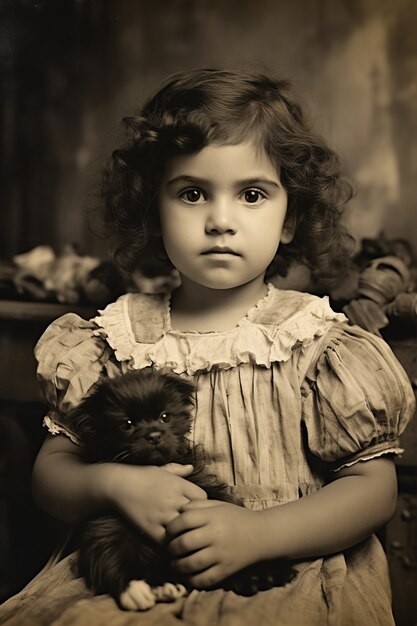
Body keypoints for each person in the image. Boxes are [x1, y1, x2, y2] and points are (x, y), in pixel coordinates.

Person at [0, 69, 414, 626]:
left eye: (251, 195)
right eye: (193, 194)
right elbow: (51, 475)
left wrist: (260, 533)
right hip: (134, 568)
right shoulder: (114, 340)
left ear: (288, 219)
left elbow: (374, 489)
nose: (221, 221)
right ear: (155, 210)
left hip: (285, 568)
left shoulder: (316, 343)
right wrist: (113, 484)